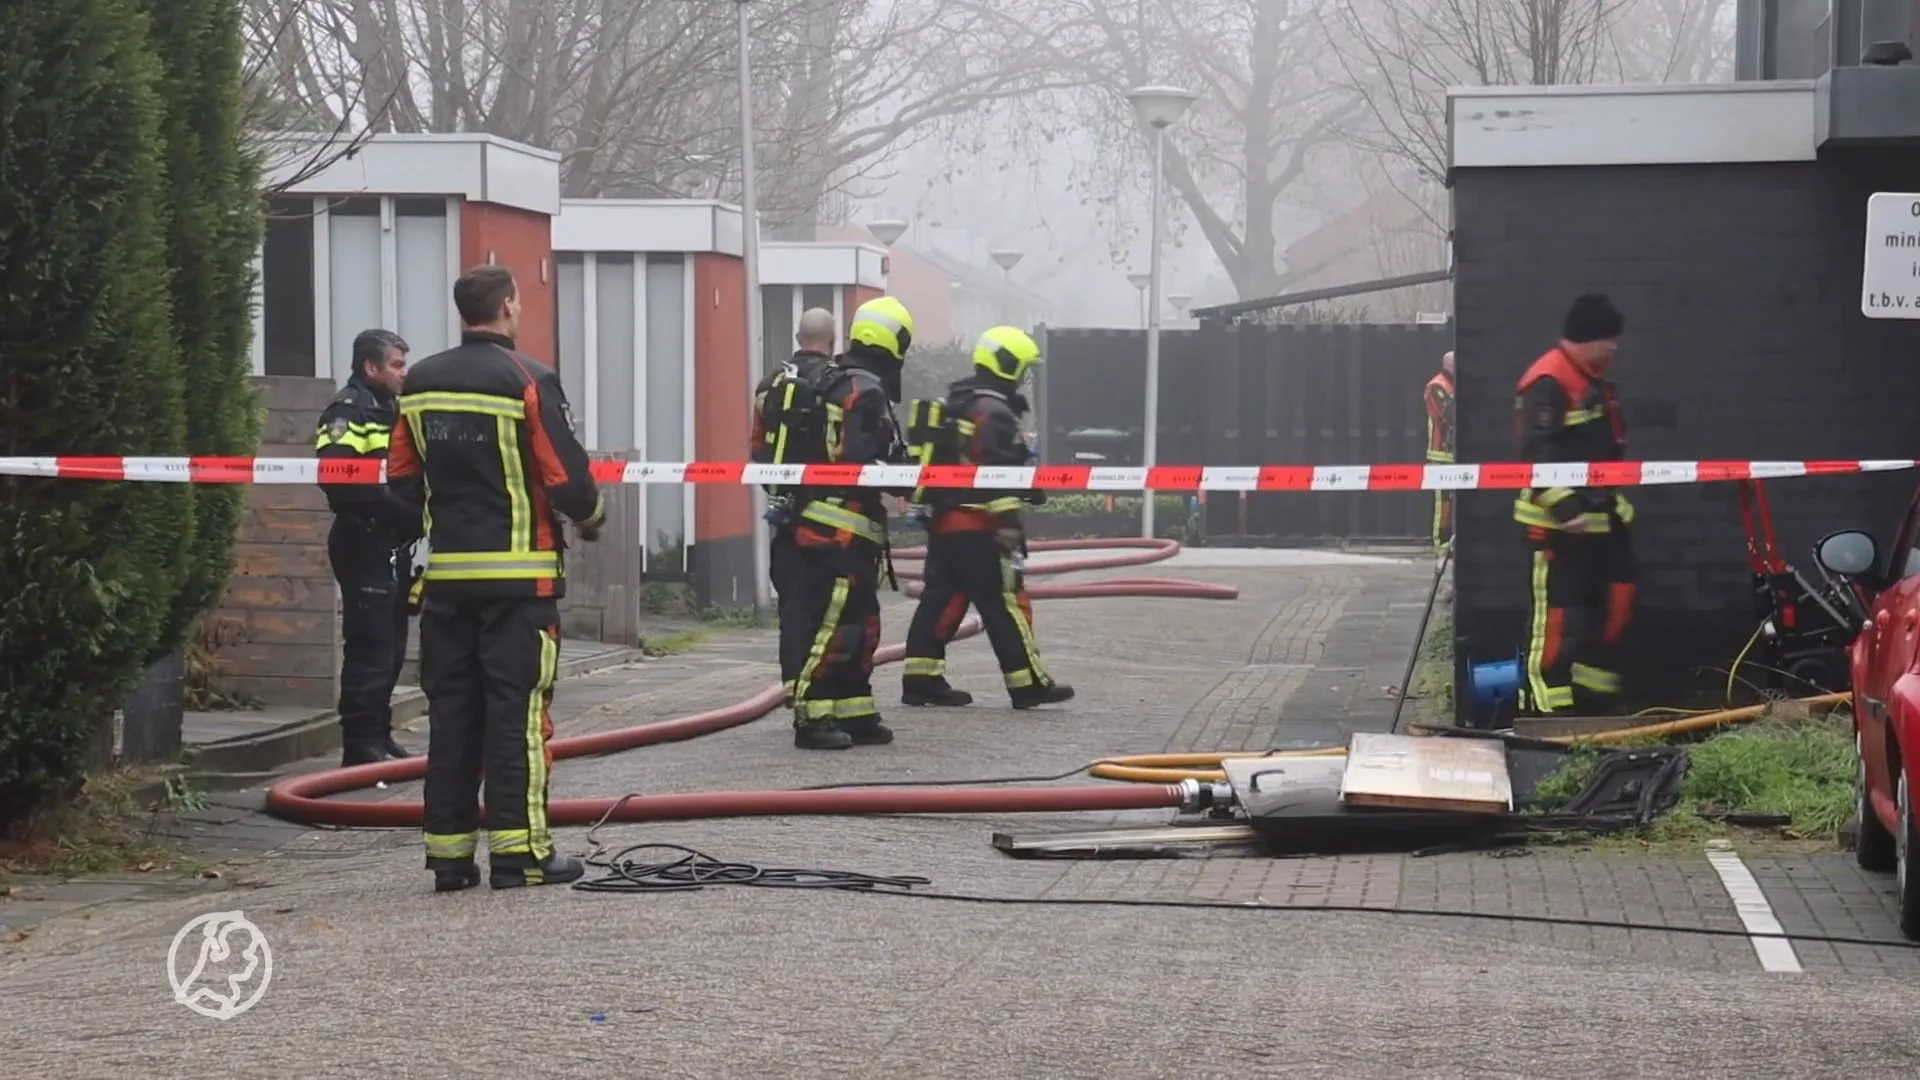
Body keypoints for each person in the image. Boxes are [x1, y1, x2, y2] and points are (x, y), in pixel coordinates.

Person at [387, 264, 606, 892]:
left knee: (453, 715)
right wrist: (593, 518)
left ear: (463, 312)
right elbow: (566, 478)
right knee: (517, 716)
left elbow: (401, 478)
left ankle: (450, 859)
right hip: (519, 586)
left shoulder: (420, 382)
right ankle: (521, 855)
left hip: (448, 583)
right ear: (508, 306)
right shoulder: (528, 378)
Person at [900, 327, 1075, 710]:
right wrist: (1008, 524)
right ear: (1007, 364)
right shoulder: (994, 412)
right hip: (980, 526)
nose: (1024, 378)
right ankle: (1028, 683)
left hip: (945, 523)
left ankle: (920, 678)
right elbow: (997, 474)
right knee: (1005, 604)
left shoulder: (958, 403)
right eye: (1022, 368)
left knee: (940, 599)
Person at [784, 296, 913, 751]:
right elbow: (864, 462)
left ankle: (855, 710)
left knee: (860, 625)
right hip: (838, 529)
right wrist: (910, 477)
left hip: (836, 527)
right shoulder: (865, 390)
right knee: (834, 626)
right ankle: (812, 716)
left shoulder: (835, 380)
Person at [1513, 293, 1636, 715]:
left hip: (1599, 520)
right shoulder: (1549, 380)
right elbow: (1536, 452)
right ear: (1589, 338)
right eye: (1609, 340)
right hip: (1556, 526)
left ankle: (1594, 703)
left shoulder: (1593, 381)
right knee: (1556, 619)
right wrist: (1566, 508)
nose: (1614, 349)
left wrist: (1612, 506)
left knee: (1616, 602)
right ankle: (1544, 710)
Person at [316, 328, 423, 768]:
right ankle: (360, 745)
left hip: (392, 544)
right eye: (396, 365)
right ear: (371, 367)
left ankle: (379, 734)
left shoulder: (392, 408)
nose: (403, 373)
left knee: (393, 648)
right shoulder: (348, 411)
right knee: (370, 648)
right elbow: (339, 481)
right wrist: (406, 513)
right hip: (363, 539)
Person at [750, 307, 841, 703]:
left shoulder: (770, 384)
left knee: (793, 606)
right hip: (830, 515)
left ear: (798, 338)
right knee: (831, 609)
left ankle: (792, 685)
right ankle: (821, 690)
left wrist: (778, 490)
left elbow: (757, 446)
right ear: (833, 342)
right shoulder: (838, 383)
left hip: (784, 513)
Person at [1425, 350, 1456, 551]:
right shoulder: (1437, 386)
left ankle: (1452, 542)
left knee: (1456, 503)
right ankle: (1441, 545)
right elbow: (1449, 414)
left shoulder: (1454, 385)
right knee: (1443, 503)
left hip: (1456, 454)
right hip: (1441, 454)